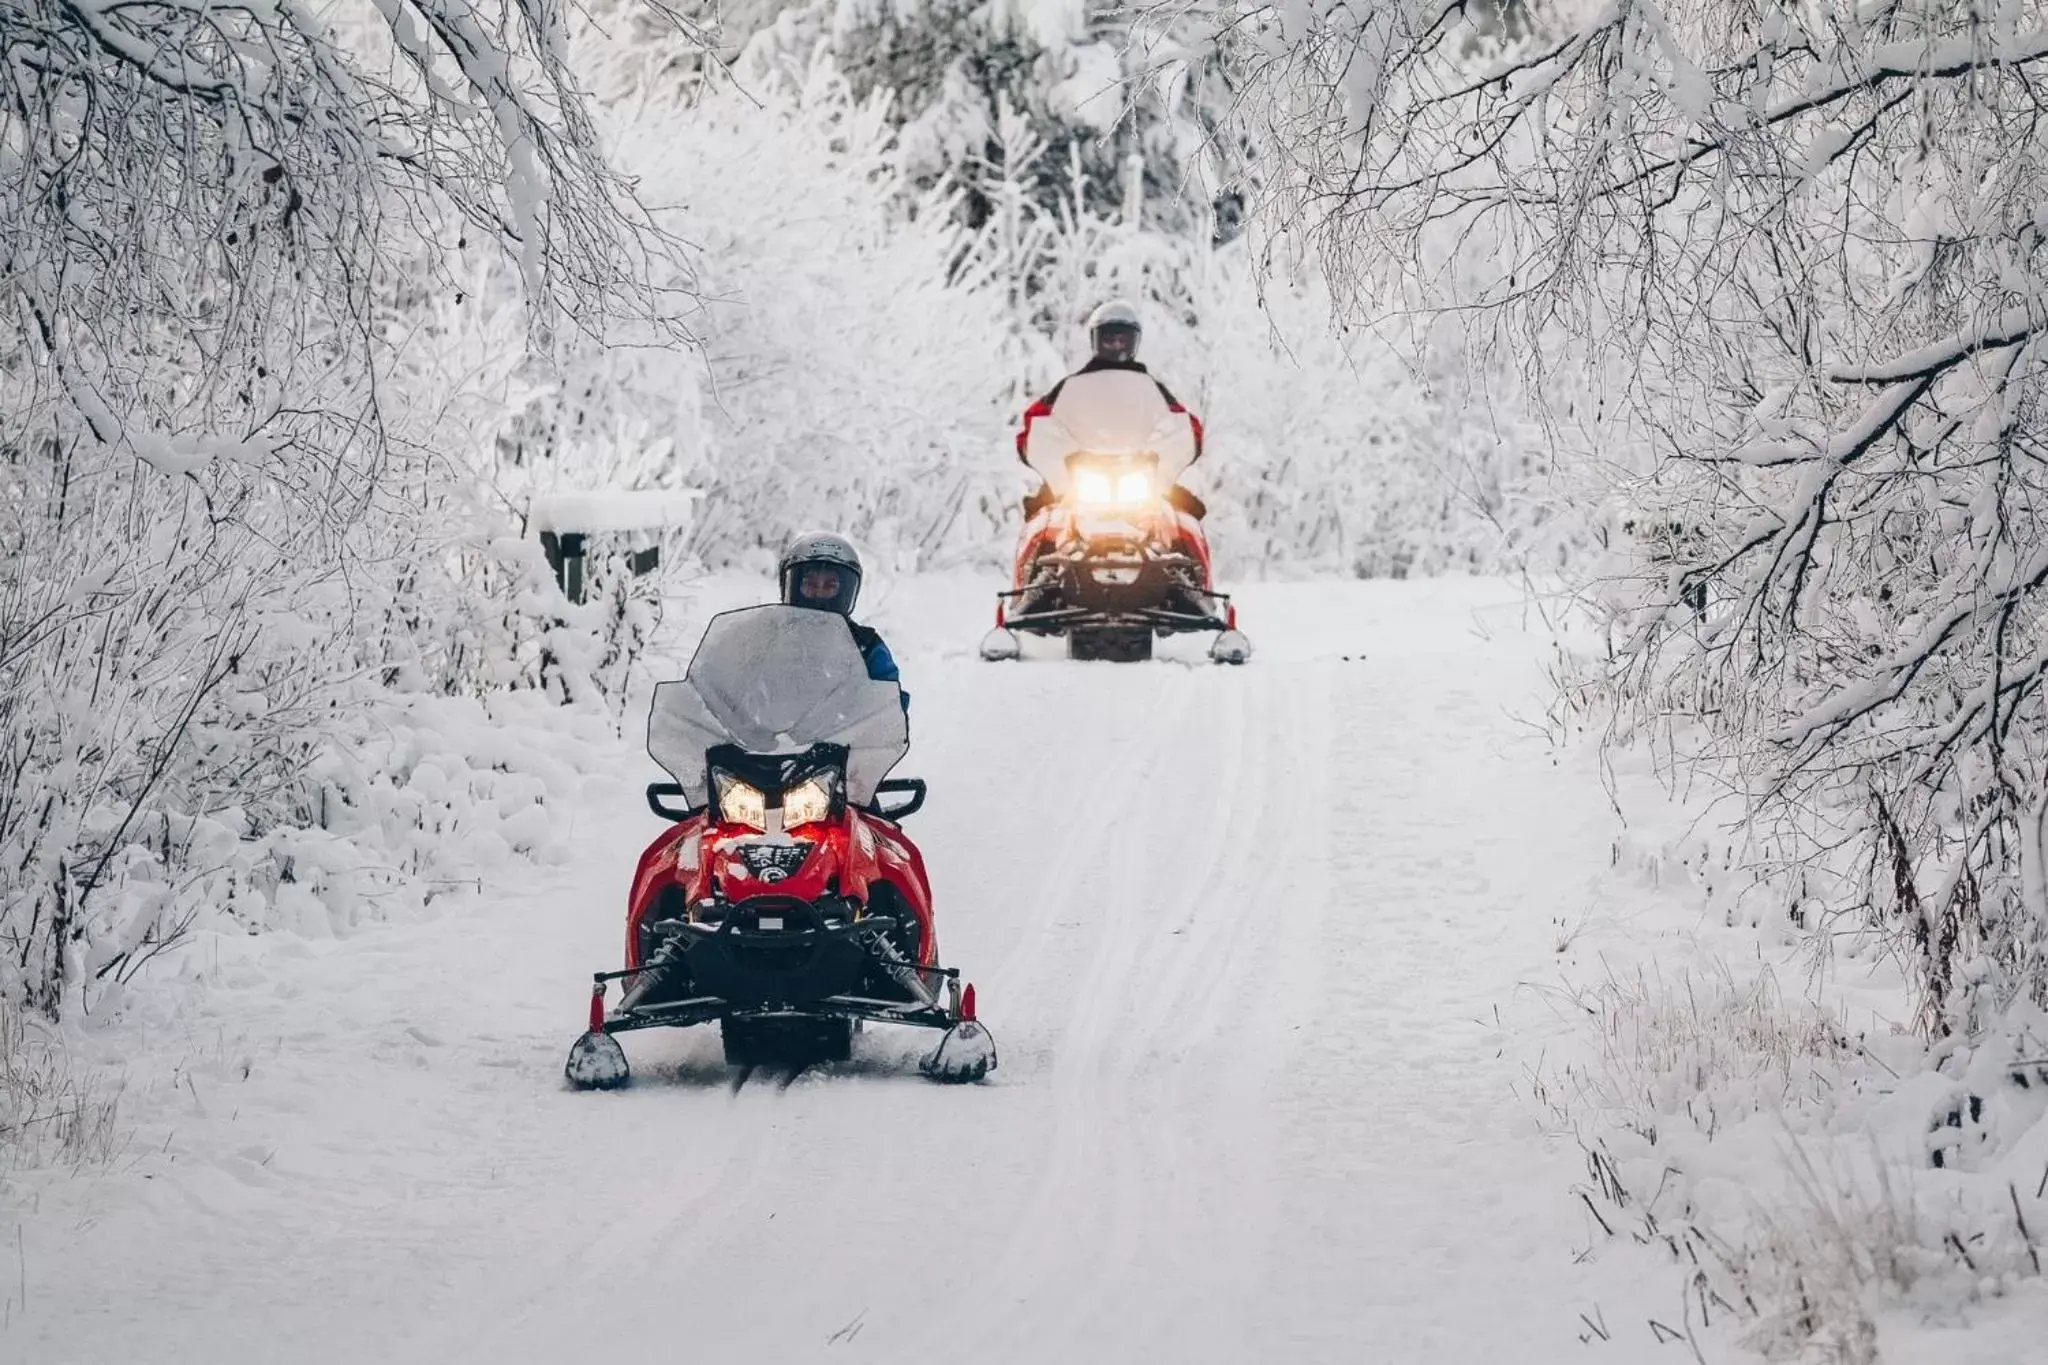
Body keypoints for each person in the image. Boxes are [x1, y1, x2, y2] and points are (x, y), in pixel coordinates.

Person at [1014, 300, 1207, 521]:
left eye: (1122, 340)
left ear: (1134, 342)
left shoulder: (1150, 387)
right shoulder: (1072, 386)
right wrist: (1041, 444)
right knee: (1039, 523)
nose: (1116, 345)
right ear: (1096, 340)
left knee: (1187, 522)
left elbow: (1181, 421)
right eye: (1109, 339)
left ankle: (1188, 555)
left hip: (1139, 474)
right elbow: (1037, 418)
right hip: (1079, 476)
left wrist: (1175, 443)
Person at [778, 531, 907, 711]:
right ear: (790, 585)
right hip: (768, 736)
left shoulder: (867, 646)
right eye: (810, 584)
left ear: (847, 591)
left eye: (830, 586)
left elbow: (889, 703)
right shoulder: (767, 636)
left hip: (841, 737)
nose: (819, 594)